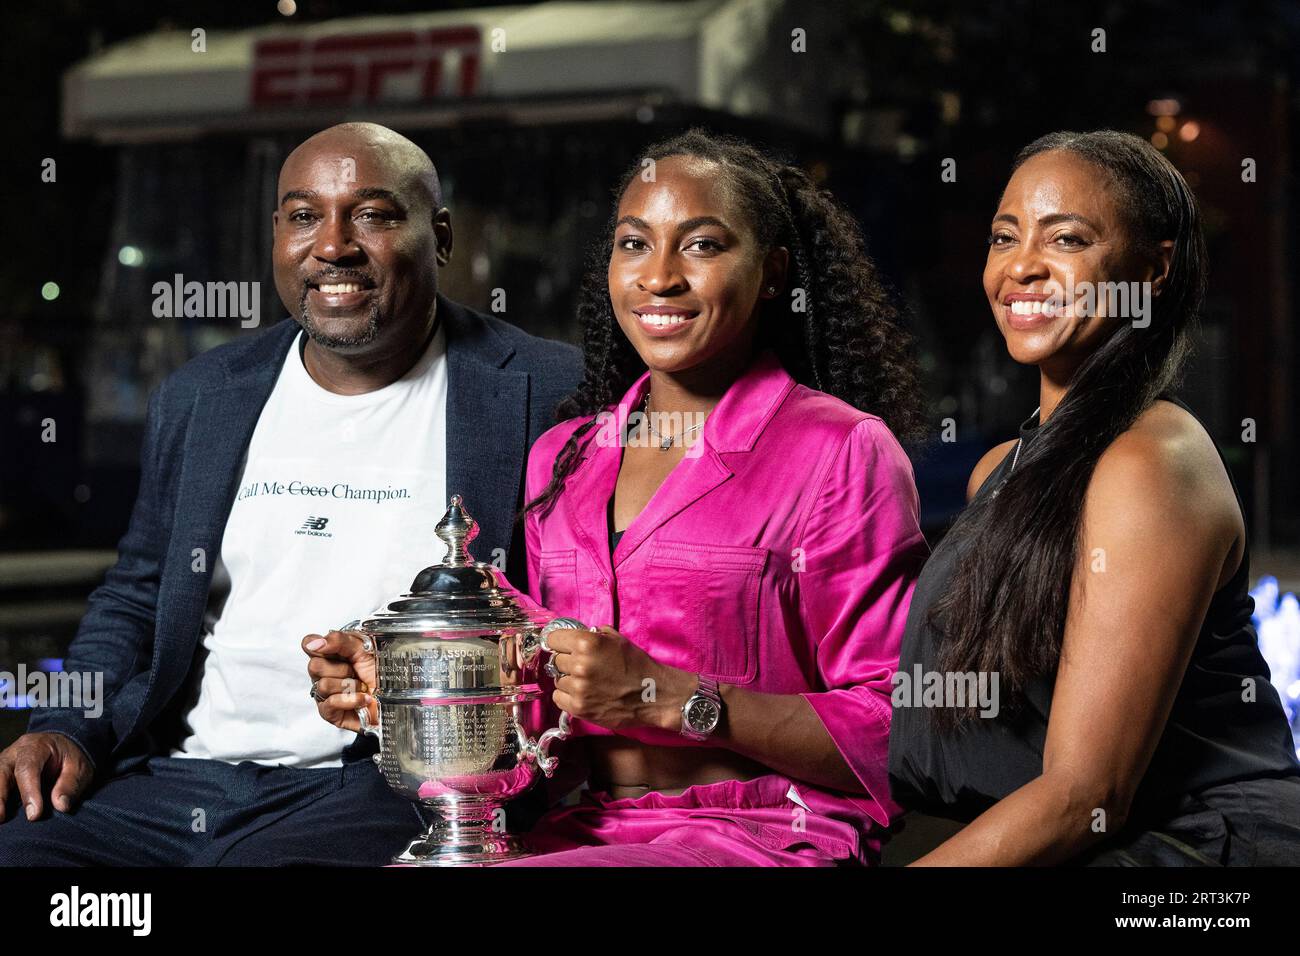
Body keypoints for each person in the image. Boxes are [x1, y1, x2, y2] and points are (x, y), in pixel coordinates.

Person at [314, 128, 930, 866]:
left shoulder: (839, 451)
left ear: (773, 273)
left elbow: (899, 727)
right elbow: (545, 700)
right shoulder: (565, 459)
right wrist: (414, 683)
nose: (659, 277)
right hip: (578, 830)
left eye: (701, 246)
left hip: (762, 832)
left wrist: (675, 698)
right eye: (634, 244)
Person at [0, 122, 581, 866]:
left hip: (384, 787)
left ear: (438, 236)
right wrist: (66, 725)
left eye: (372, 215)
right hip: (170, 780)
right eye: (305, 216)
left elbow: (582, 607)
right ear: (277, 234)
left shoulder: (545, 392)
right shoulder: (204, 395)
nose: (333, 245)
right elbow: (135, 595)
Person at [887, 130, 1300, 865]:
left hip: (1185, 855)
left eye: (1067, 239)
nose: (1022, 267)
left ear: (1152, 269)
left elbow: (1087, 795)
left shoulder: (1151, 461)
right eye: (1004, 236)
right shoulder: (1000, 473)